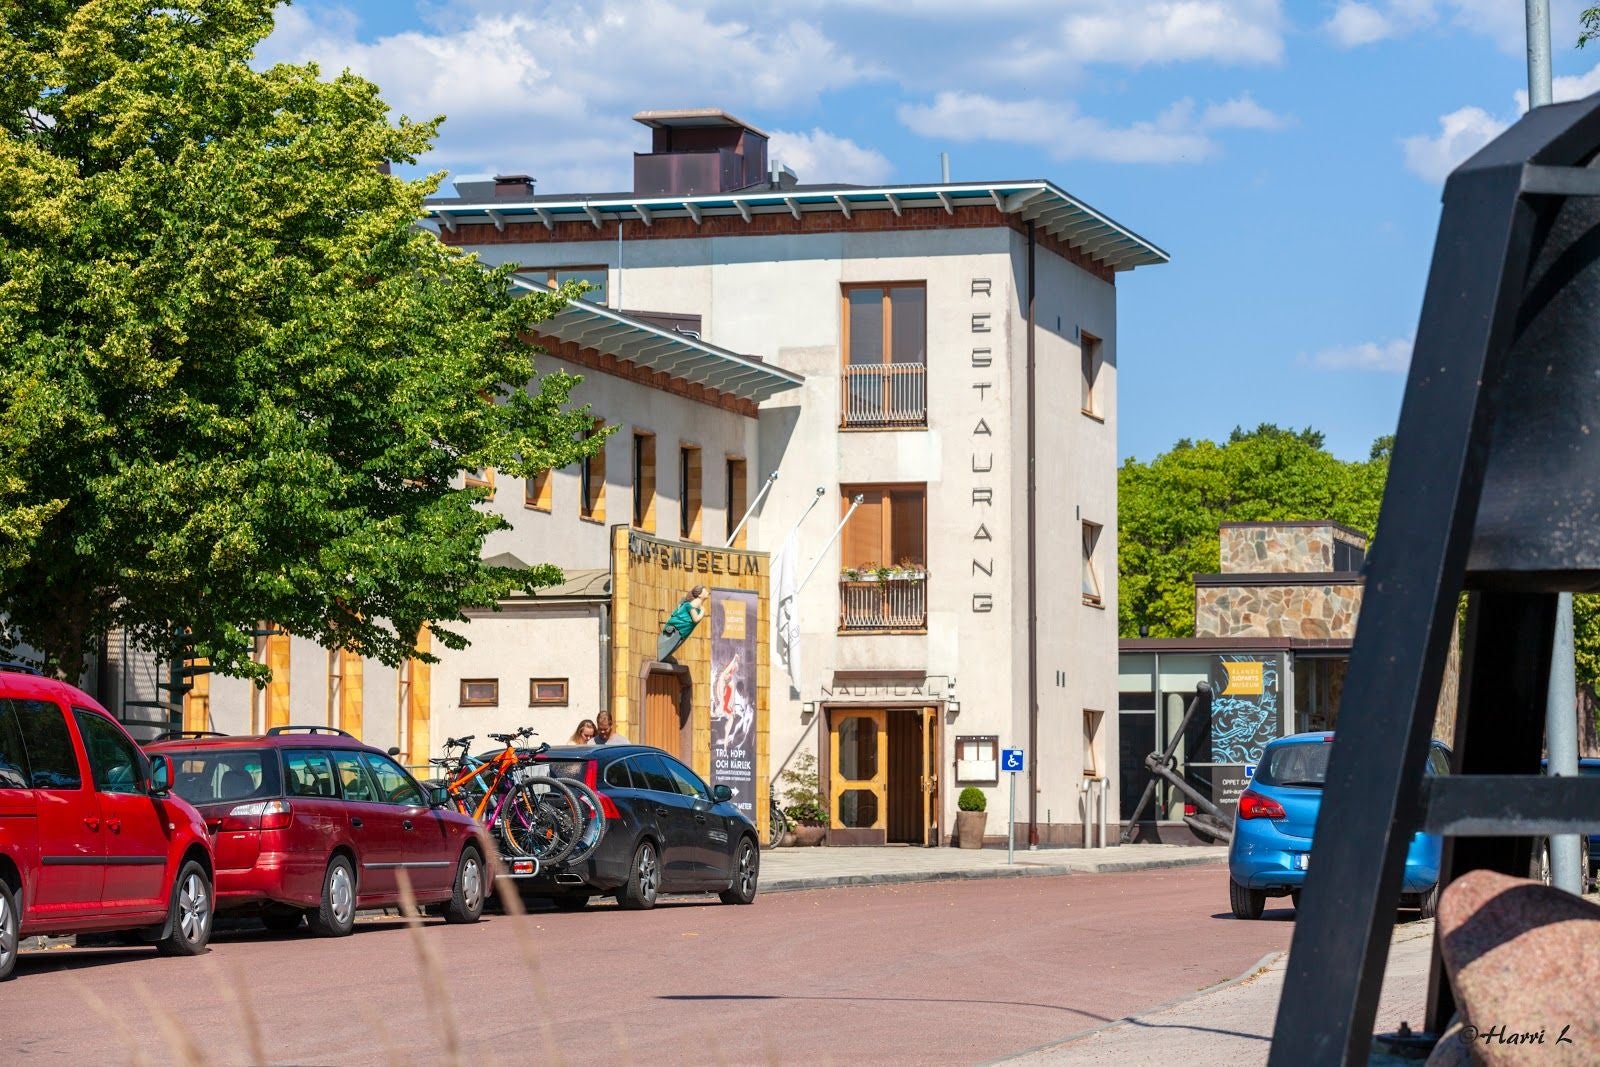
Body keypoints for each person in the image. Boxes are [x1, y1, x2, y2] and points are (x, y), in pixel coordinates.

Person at [658, 585, 708, 661]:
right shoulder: (693, 604)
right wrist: (703, 611)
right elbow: (695, 619)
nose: (707, 592)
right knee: (674, 642)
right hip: (679, 627)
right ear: (700, 595)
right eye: (705, 591)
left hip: (684, 630)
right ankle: (665, 656)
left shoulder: (697, 604)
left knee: (678, 642)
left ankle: (667, 655)